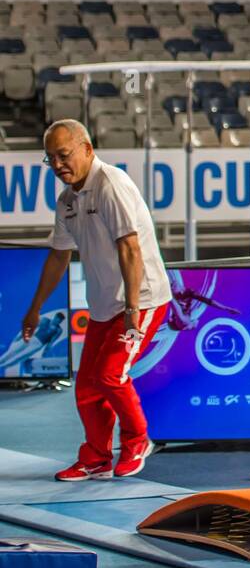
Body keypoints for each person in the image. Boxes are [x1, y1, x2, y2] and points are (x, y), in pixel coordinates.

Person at [23, 120, 172, 481]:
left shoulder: (111, 184)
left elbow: (130, 247)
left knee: (111, 374)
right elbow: (59, 256)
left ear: (87, 149)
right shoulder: (67, 201)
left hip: (144, 298)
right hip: (105, 304)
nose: (58, 165)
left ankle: (137, 441)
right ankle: (97, 456)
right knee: (88, 385)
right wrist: (35, 308)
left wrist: (134, 309)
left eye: (64, 154)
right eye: (51, 159)